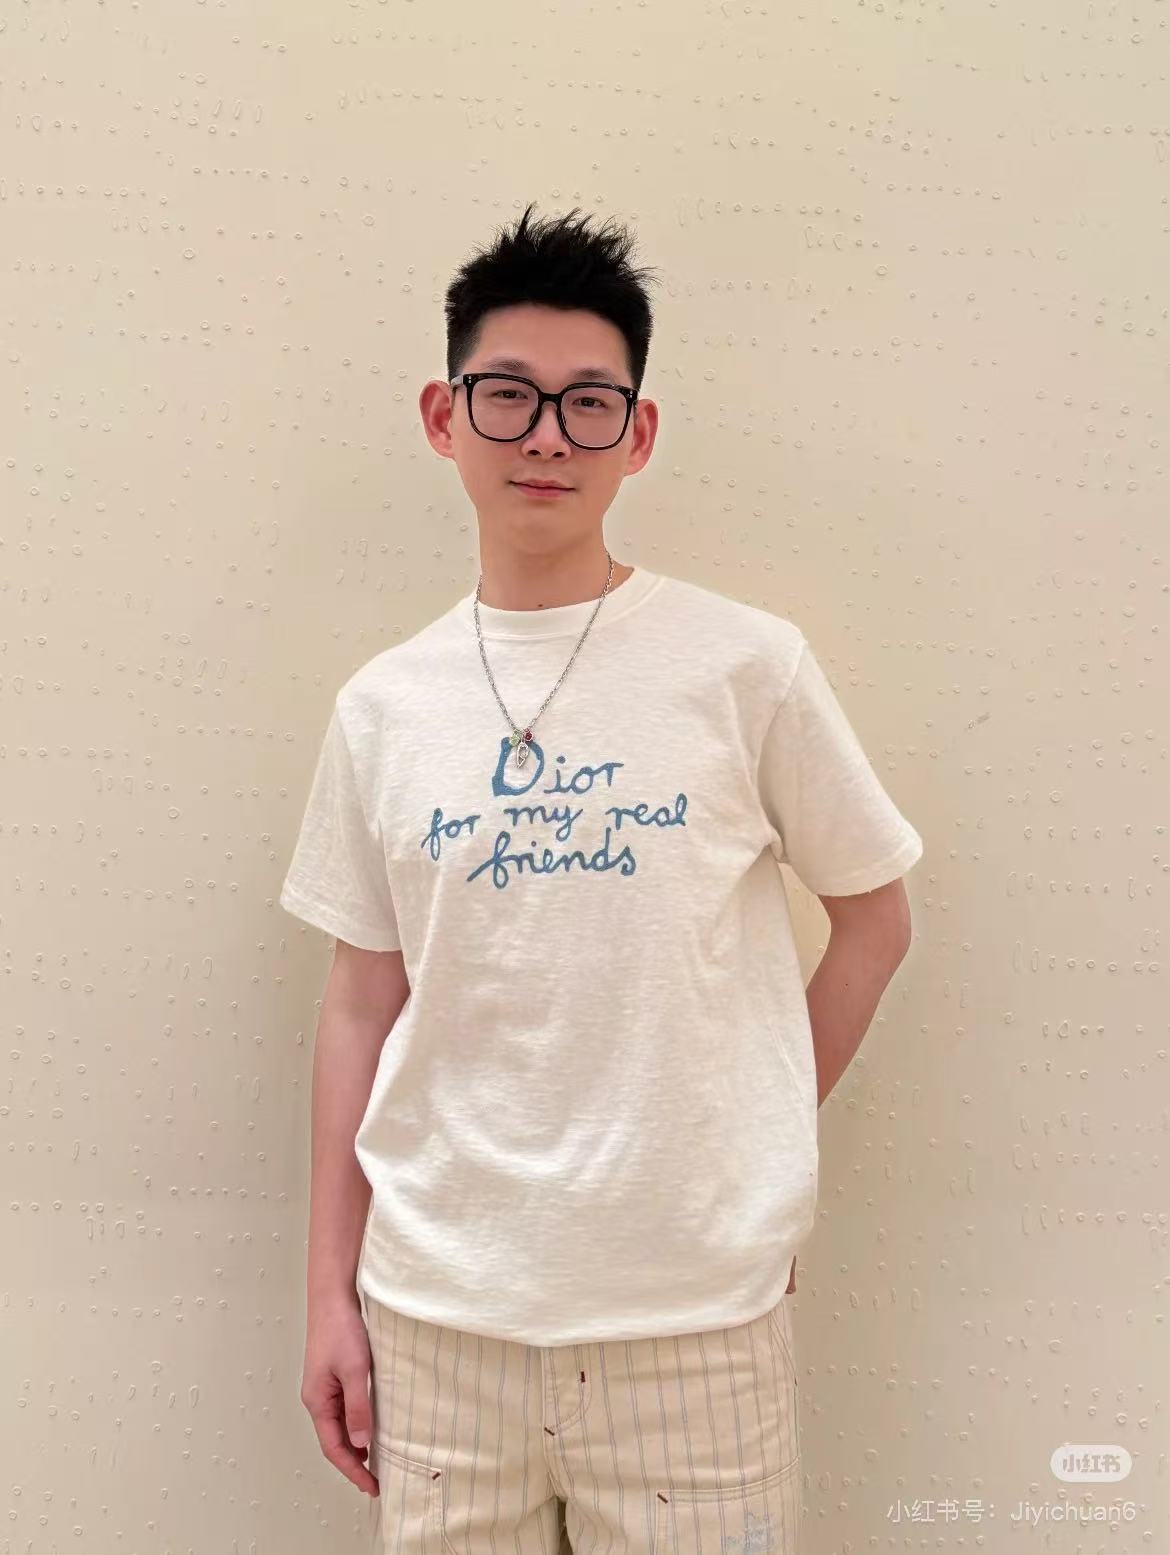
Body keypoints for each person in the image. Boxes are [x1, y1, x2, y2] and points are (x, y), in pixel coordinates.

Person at [281, 201, 923, 1554]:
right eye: (508, 396)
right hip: (438, 1320)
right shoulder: (383, 707)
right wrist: (328, 1294)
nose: (546, 437)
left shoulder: (743, 668)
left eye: (588, 403)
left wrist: (755, 1132)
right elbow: (359, 1004)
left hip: (692, 1324)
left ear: (637, 434)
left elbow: (875, 918)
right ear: (444, 416)